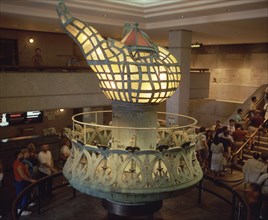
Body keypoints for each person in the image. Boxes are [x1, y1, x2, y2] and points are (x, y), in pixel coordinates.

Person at [13, 150, 36, 216]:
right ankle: (20, 210)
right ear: (17, 156)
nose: (22, 155)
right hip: (20, 182)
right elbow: (22, 175)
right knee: (22, 195)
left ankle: (24, 206)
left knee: (25, 195)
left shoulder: (20, 162)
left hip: (22, 182)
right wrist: (30, 180)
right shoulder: (17, 164)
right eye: (20, 154)